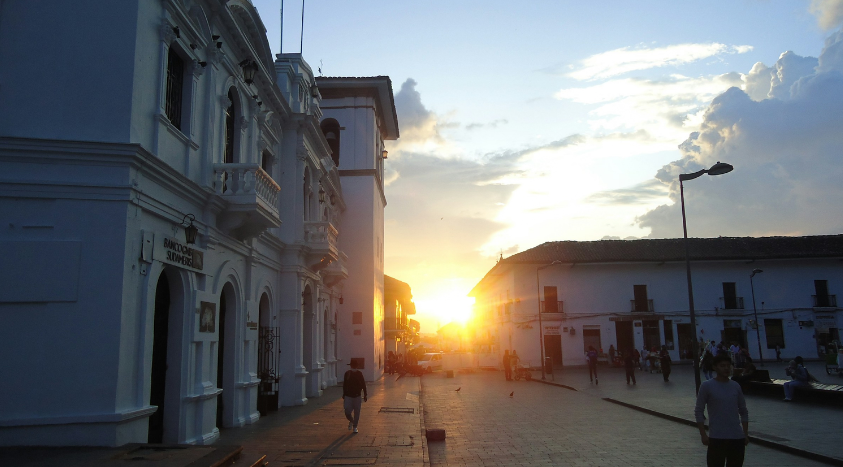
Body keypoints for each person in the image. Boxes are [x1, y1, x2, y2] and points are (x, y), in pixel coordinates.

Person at [695, 354, 749, 467]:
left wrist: (745, 433)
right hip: (717, 437)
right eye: (722, 366)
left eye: (728, 366)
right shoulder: (707, 386)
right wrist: (703, 434)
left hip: (736, 437)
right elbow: (699, 410)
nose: (726, 368)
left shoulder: (735, 386)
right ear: (715, 367)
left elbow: (743, 411)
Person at [342, 361, 368, 433]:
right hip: (348, 395)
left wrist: (365, 394)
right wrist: (344, 393)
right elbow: (345, 384)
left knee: (357, 412)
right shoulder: (347, 373)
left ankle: (355, 426)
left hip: (357, 395)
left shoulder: (359, 374)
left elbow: (363, 384)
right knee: (347, 411)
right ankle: (352, 421)